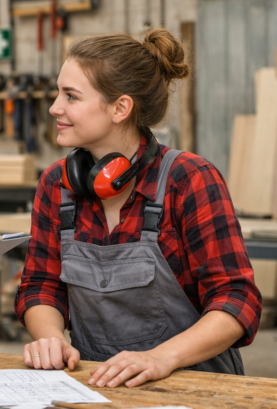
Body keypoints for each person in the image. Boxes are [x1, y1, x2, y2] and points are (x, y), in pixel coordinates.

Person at [15, 29, 262, 388]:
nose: (55, 107)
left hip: (197, 388)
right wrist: (50, 337)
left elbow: (236, 300)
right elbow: (41, 285)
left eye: (71, 96)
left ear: (120, 108)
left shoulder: (189, 180)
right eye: (58, 93)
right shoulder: (57, 185)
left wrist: (163, 357)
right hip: (100, 386)